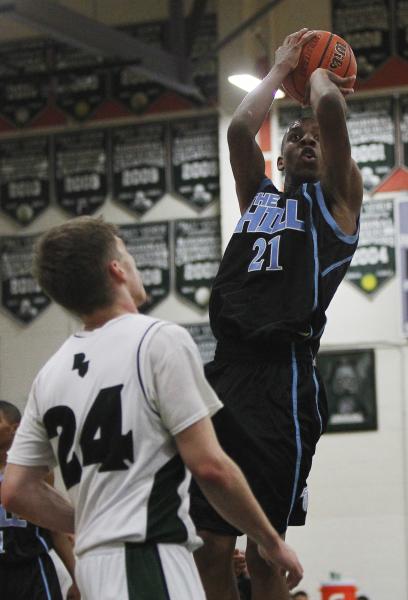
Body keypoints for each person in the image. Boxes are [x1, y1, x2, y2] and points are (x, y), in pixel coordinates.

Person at [1, 216, 303, 599]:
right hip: (149, 558)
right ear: (117, 270)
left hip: (93, 566)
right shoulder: (158, 340)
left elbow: (15, 491)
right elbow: (211, 467)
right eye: (128, 256)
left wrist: (95, 517)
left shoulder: (50, 373)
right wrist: (270, 540)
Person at [190, 27, 363, 600]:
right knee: (209, 546)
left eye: (317, 138)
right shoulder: (258, 198)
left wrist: (316, 72)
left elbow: (332, 108)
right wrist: (279, 67)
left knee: (266, 551)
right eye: (297, 136)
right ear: (281, 155)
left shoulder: (338, 203)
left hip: (283, 378)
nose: (309, 141)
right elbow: (241, 128)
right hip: (226, 371)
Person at [0, 400, 80, 600]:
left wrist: (77, 578)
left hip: (31, 569)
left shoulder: (35, 471)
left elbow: (55, 529)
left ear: (14, 428)